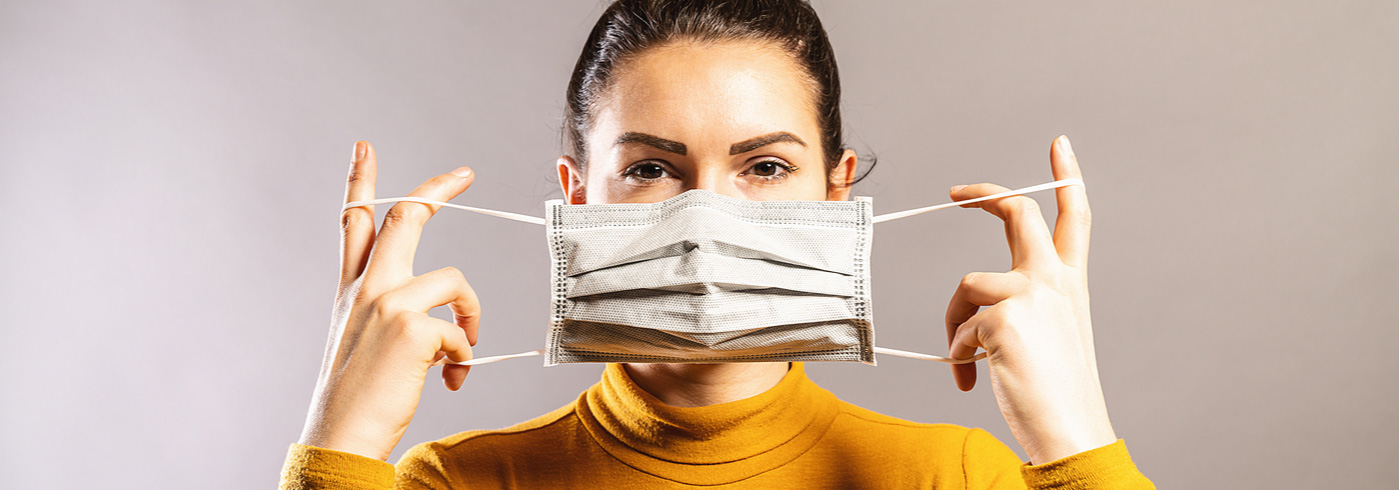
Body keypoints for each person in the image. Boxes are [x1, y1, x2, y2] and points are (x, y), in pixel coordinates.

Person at [280, 1, 1155, 488]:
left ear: (836, 189)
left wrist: (1079, 437)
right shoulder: (459, 486)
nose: (707, 218)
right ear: (579, 196)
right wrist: (340, 440)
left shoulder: (952, 476)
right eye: (654, 168)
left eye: (765, 166)